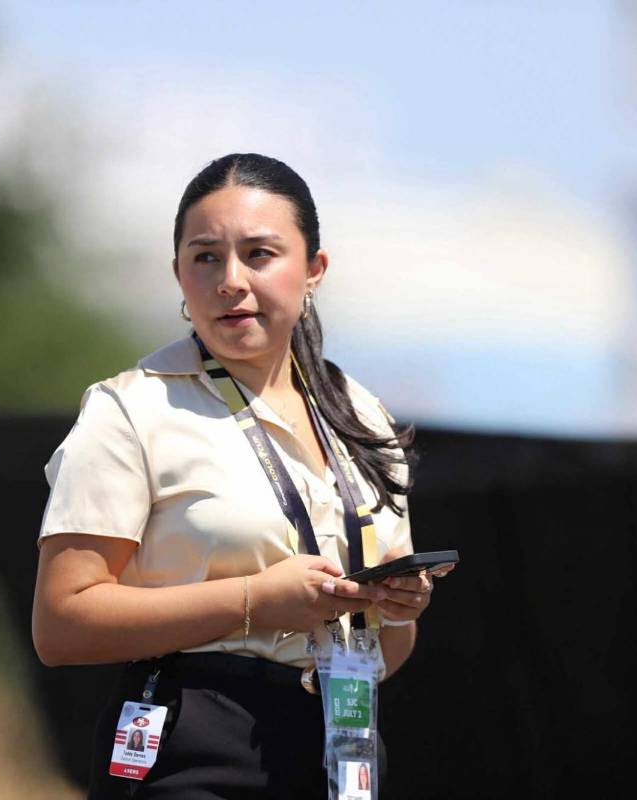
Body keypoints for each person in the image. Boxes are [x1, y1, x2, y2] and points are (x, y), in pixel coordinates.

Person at [32, 153, 437, 798]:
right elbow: (62, 623)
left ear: (314, 271)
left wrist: (395, 606)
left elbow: (389, 650)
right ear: (179, 276)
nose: (230, 281)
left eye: (259, 254)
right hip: (192, 743)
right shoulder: (132, 407)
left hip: (342, 747)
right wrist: (253, 602)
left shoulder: (362, 415)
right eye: (206, 258)